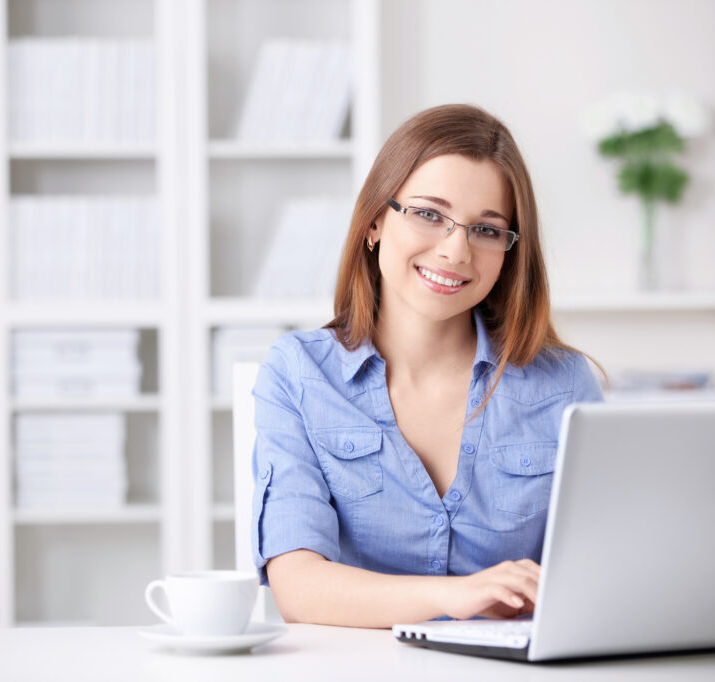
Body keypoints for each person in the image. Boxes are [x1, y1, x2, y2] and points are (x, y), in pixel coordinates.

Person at [250, 104, 604, 628]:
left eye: (487, 230)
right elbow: (298, 585)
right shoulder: (298, 372)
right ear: (373, 221)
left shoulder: (563, 384)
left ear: (509, 252)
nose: (455, 250)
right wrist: (455, 595)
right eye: (428, 214)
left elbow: (599, 571)